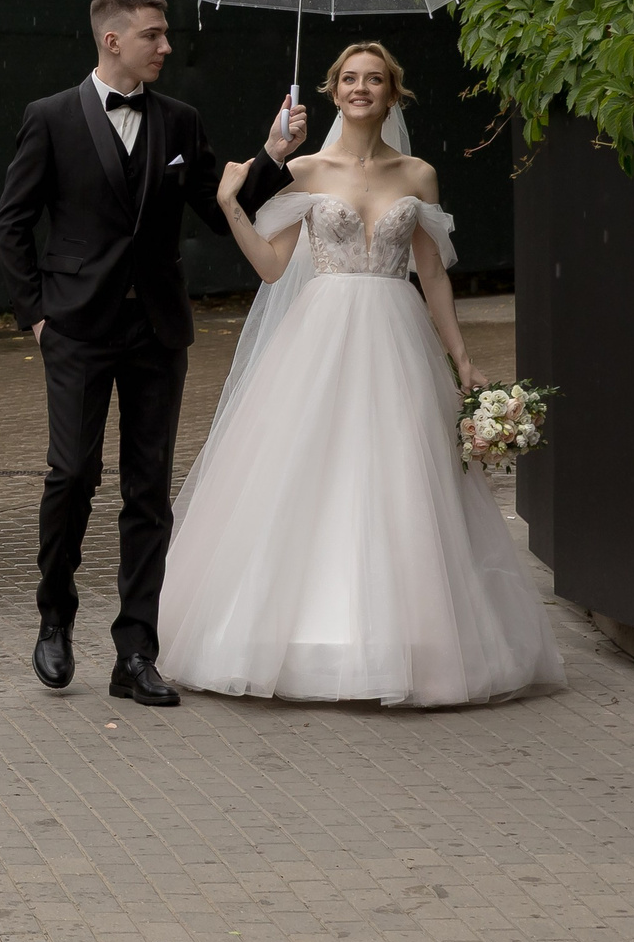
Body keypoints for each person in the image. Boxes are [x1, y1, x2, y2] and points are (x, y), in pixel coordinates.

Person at [161, 41, 566, 707]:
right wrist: (233, 203)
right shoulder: (306, 170)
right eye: (349, 79)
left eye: (373, 80)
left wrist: (461, 357)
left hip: (396, 335)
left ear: (393, 93)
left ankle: (412, 639)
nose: (360, 89)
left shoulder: (419, 174)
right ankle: (292, 637)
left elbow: (432, 274)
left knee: (402, 479)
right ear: (331, 90)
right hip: (320, 335)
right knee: (309, 474)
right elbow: (269, 266)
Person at [0, 0, 303, 707]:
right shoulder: (50, 119)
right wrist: (36, 314)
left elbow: (222, 202)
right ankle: (54, 617)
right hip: (75, 326)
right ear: (113, 40)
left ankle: (135, 653)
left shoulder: (181, 122)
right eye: (153, 36)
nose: (166, 46)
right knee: (71, 474)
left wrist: (273, 153)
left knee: (149, 492)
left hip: (157, 331)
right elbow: (12, 223)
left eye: (165, 36)